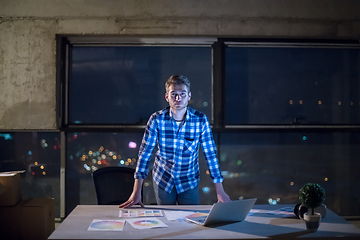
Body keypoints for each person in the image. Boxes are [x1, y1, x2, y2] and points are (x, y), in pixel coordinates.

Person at [119, 75, 230, 208]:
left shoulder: (200, 120)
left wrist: (220, 191)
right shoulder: (156, 119)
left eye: (182, 94)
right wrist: (136, 192)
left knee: (191, 219)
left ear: (189, 96)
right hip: (163, 180)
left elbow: (210, 155)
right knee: (166, 220)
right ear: (167, 97)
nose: (178, 98)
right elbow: (144, 154)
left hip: (189, 181)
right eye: (174, 94)